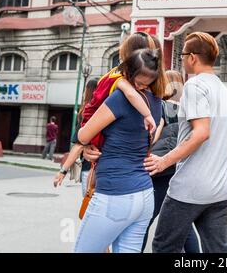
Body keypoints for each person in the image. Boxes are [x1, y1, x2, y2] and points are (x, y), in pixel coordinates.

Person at [144, 32, 227, 253]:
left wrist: (163, 162)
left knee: (164, 247)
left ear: (193, 57)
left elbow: (201, 133)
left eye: (183, 54)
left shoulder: (195, 86)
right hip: (221, 189)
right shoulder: (224, 90)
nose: (182, 59)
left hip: (190, 188)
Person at [73, 48, 166, 253]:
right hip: (144, 195)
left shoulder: (119, 99)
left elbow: (83, 136)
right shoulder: (157, 104)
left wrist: (86, 140)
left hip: (115, 194)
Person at [53, 33, 159, 189]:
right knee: (92, 156)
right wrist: (148, 115)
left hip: (119, 180)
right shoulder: (122, 83)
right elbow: (130, 94)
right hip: (131, 182)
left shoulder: (116, 75)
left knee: (92, 157)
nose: (141, 87)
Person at [141, 70, 200, 253]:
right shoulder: (188, 109)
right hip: (181, 169)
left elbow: (153, 134)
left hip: (160, 171)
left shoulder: (161, 106)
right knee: (183, 224)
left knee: (144, 221)